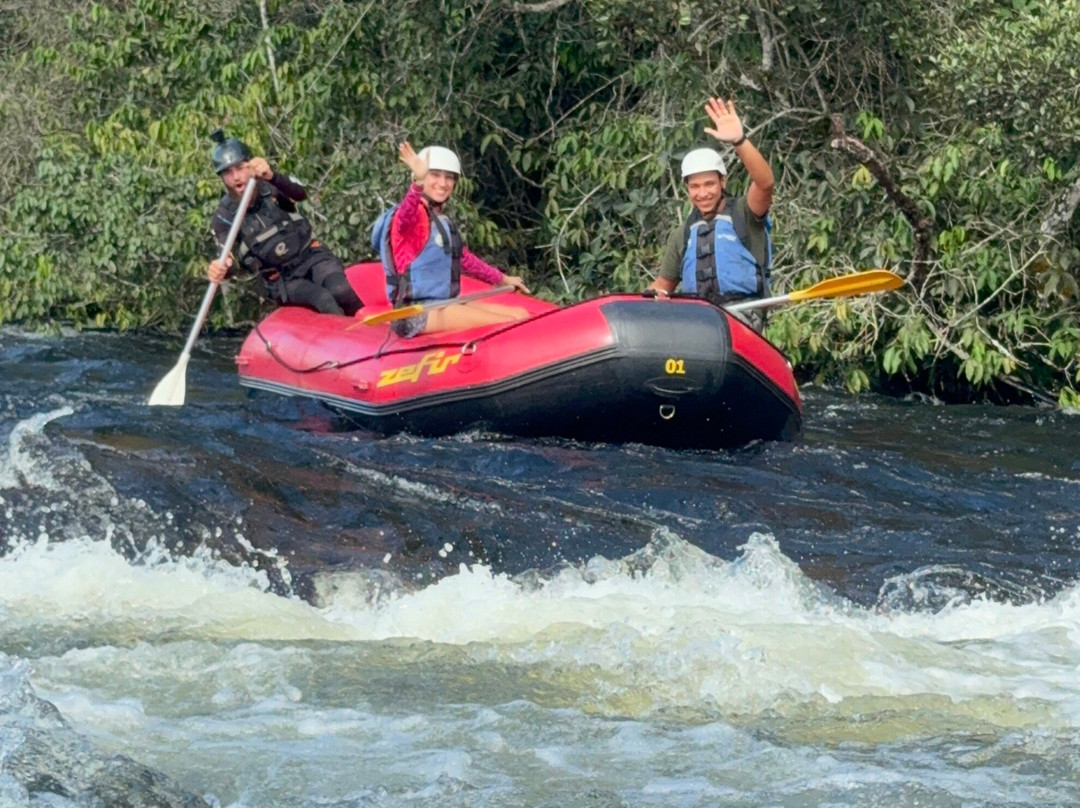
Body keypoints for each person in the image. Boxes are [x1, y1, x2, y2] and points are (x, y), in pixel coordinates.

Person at [373, 141, 529, 337]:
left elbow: (464, 259)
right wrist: (418, 185)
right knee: (510, 324)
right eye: (435, 175)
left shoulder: (441, 222)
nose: (443, 183)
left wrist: (503, 279)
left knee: (521, 315)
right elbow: (405, 215)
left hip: (442, 304)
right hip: (414, 313)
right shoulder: (409, 218)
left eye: (449, 178)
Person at [648, 97, 774, 332]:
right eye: (695, 187)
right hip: (700, 323)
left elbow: (765, 184)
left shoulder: (744, 213)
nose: (702, 193)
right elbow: (663, 285)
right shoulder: (684, 233)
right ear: (687, 188)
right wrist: (645, 301)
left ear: (722, 181)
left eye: (709, 184)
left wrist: (739, 140)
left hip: (743, 319)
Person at [205, 130, 362, 317]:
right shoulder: (224, 216)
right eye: (228, 172)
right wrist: (222, 267)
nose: (236, 177)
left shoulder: (270, 186)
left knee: (341, 291)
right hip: (283, 280)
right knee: (323, 299)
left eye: (240, 168)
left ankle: (374, 331)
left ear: (250, 165)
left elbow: (300, 193)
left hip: (312, 256)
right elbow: (228, 259)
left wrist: (272, 176)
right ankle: (341, 340)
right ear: (222, 178)